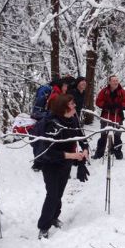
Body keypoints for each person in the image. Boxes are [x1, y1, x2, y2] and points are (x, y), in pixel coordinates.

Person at [35, 94, 89, 239]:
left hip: (66, 163)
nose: (75, 106)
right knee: (52, 195)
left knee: (59, 193)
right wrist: (72, 156)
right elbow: (49, 152)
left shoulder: (73, 119)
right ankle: (43, 226)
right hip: (51, 164)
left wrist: (85, 149)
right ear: (63, 107)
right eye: (72, 104)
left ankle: (54, 217)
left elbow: (81, 136)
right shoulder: (51, 124)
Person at [93, 75, 125, 160]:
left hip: (117, 116)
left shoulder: (122, 92)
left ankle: (117, 152)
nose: (115, 82)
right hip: (105, 116)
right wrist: (106, 105)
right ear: (109, 82)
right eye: (113, 80)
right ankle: (99, 153)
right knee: (103, 136)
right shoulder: (104, 91)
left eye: (117, 80)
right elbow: (98, 101)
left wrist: (120, 105)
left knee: (117, 136)